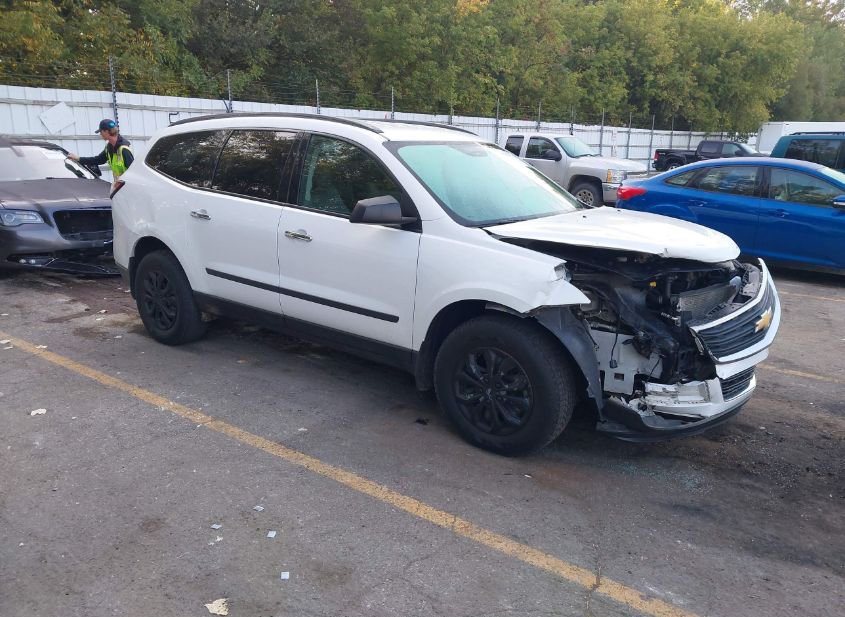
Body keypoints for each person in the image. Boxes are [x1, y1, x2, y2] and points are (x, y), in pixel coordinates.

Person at [69, 119, 133, 193]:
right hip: (119, 189)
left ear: (106, 131)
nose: (100, 134)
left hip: (128, 189)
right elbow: (98, 160)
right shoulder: (109, 147)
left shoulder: (124, 149)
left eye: (101, 132)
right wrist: (78, 158)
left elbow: (133, 173)